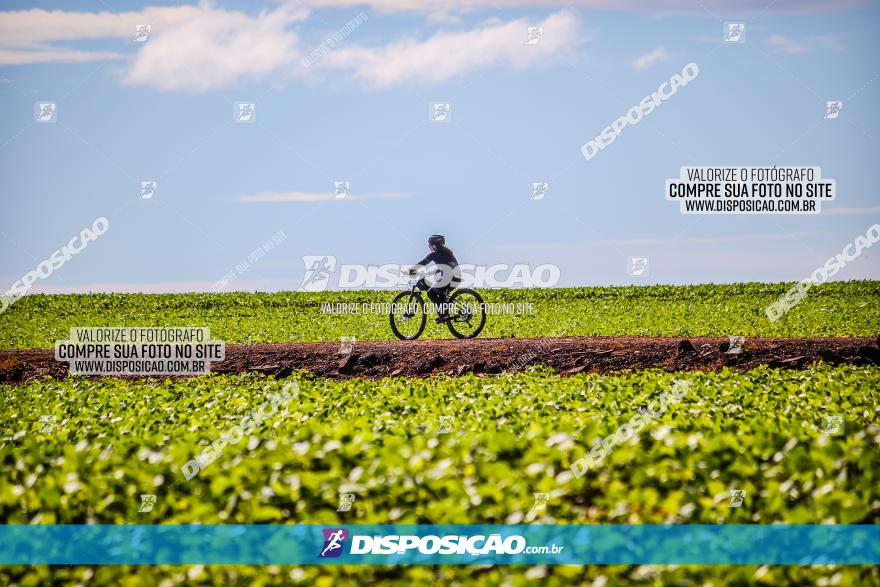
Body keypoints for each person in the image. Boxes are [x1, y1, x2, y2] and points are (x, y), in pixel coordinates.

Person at [409, 234, 461, 323]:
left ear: (434, 245)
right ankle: (445, 313)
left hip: (448, 278)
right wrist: (431, 272)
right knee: (440, 294)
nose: (429, 247)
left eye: (430, 245)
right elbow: (447, 266)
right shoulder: (448, 252)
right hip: (456, 278)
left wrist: (413, 269)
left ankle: (444, 315)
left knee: (430, 293)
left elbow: (424, 262)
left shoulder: (435, 254)